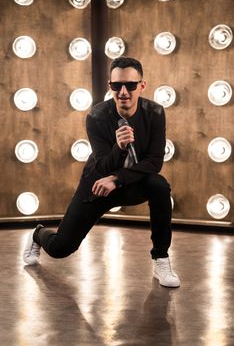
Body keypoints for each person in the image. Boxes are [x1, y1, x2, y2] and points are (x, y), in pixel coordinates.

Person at [23, 57, 180, 288]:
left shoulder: (155, 113)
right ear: (110, 87)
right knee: (60, 248)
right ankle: (38, 234)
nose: (123, 92)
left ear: (142, 86)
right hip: (98, 185)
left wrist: (118, 179)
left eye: (131, 85)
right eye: (117, 86)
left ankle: (161, 259)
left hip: (127, 182)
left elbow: (154, 162)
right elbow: (102, 167)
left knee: (159, 186)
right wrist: (120, 147)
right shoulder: (96, 117)